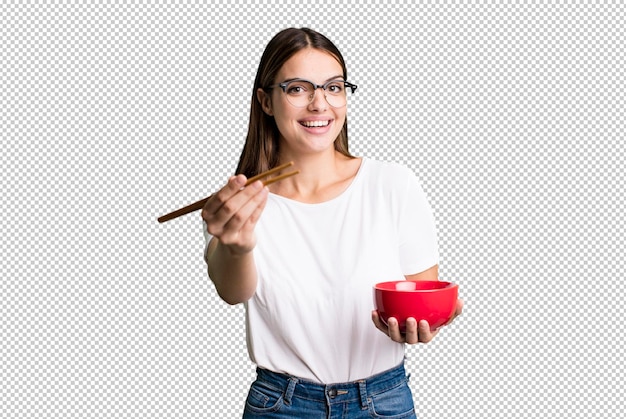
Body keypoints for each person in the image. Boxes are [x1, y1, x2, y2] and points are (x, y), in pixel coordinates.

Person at [202, 27, 463, 419]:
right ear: (266, 101)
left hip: (383, 400)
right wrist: (237, 245)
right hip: (280, 405)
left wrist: (424, 321)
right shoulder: (240, 202)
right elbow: (231, 291)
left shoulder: (393, 184)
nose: (319, 103)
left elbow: (419, 295)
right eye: (297, 88)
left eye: (334, 87)